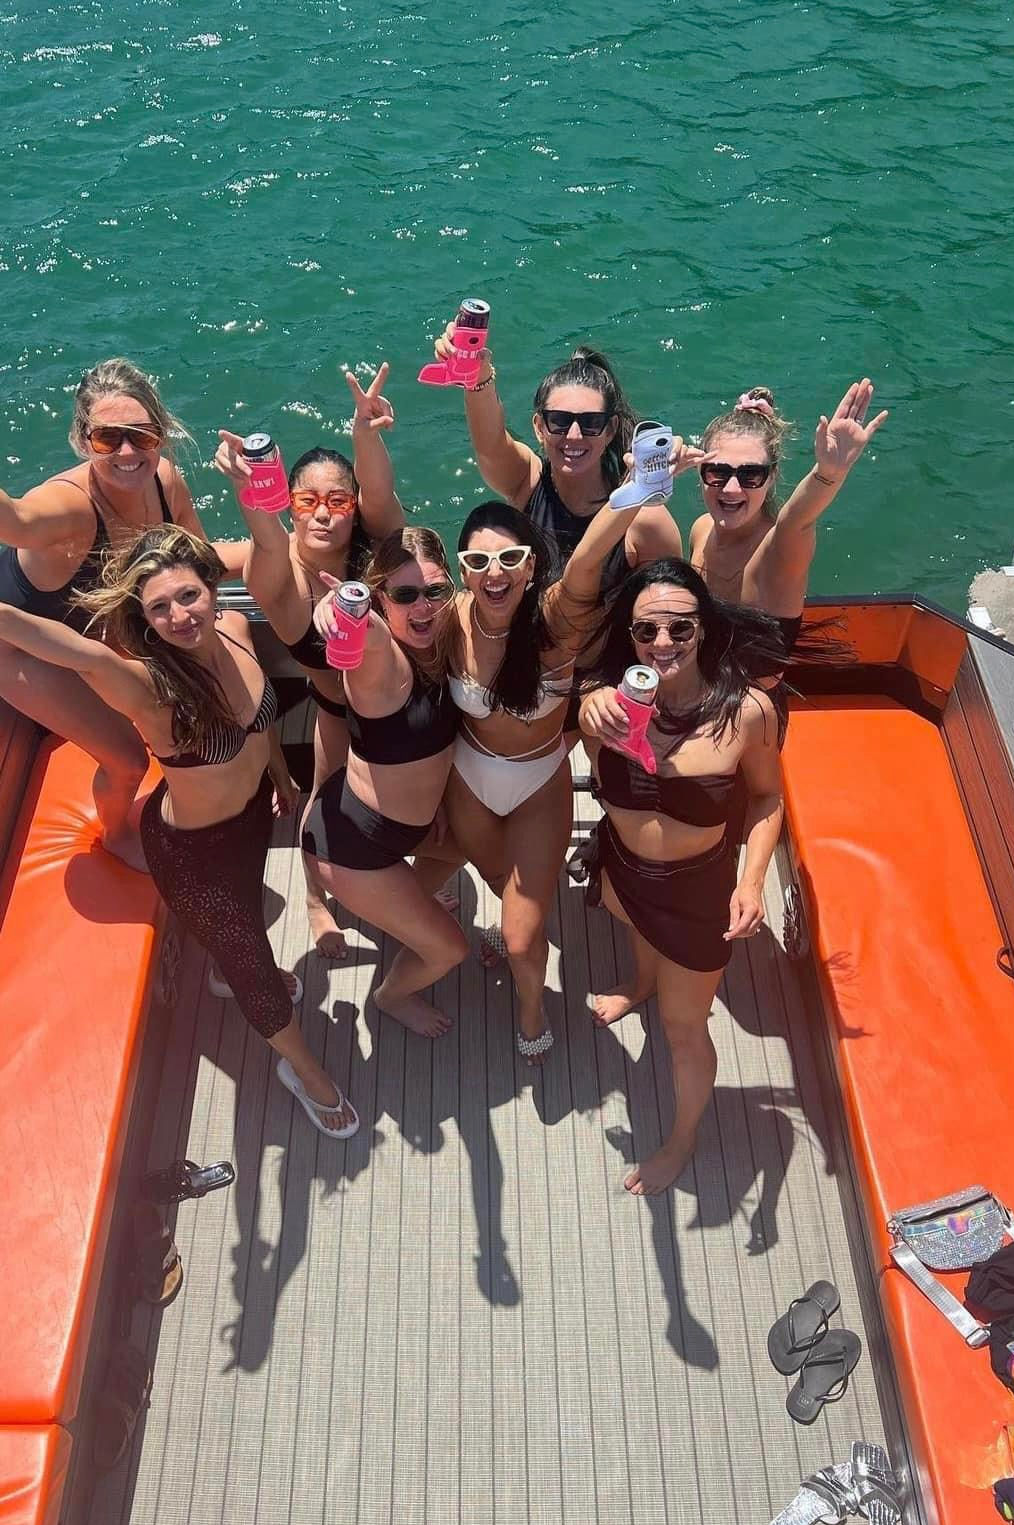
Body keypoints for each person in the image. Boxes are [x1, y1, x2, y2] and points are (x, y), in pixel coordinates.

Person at [0, 525, 357, 1138]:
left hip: (250, 820)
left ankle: (223, 966)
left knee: (245, 918)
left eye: (187, 596)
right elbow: (75, 652)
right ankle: (303, 1071)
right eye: (159, 608)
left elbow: (262, 724)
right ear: (144, 618)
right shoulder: (149, 687)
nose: (178, 616)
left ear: (212, 590)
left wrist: (279, 775)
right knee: (255, 971)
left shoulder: (240, 633)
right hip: (194, 856)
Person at [0, 357, 211, 870]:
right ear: (85, 442)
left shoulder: (164, 481)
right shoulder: (71, 506)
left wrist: (289, 553)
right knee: (127, 760)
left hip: (89, 623)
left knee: (189, 696)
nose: (128, 452)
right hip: (13, 639)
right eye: (108, 440)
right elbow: (18, 520)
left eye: (141, 436)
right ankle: (116, 834)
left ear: (160, 432)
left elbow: (197, 556)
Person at [444, 460, 706, 1065]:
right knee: (501, 891)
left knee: (521, 934)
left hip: (539, 780)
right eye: (479, 563)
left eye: (511, 559)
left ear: (532, 565)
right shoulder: (450, 620)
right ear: (463, 571)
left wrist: (632, 493)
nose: (495, 574)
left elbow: (588, 559)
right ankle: (509, 946)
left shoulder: (559, 619)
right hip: (469, 780)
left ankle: (531, 1011)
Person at [577, 559, 786, 1194]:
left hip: (698, 889)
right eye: (647, 631)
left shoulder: (746, 711)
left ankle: (682, 1137)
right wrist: (586, 707)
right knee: (637, 934)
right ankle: (640, 983)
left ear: (704, 629)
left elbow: (767, 799)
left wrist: (750, 883)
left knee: (682, 1028)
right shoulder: (609, 702)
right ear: (630, 635)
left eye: (680, 628)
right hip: (623, 867)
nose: (662, 643)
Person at [213, 364, 405, 959]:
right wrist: (250, 490)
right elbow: (264, 539)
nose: (324, 513)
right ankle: (319, 903)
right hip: (335, 712)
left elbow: (383, 496)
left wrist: (365, 432)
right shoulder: (277, 573)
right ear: (289, 504)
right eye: (308, 500)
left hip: (399, 707)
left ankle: (401, 886)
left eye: (337, 500)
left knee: (408, 809)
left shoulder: (376, 549)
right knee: (322, 802)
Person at [301, 527, 469, 1039]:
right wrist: (344, 614)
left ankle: (402, 904)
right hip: (355, 849)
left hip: (384, 822)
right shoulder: (386, 665)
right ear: (379, 599)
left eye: (434, 591)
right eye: (404, 595)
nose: (422, 607)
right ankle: (390, 996)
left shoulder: (442, 647)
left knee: (466, 844)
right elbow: (365, 640)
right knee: (451, 949)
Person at [431, 316, 680, 574]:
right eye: (559, 421)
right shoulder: (525, 482)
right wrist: (477, 374)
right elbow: (489, 445)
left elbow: (667, 605)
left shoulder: (644, 519)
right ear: (539, 427)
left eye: (591, 422)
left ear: (610, 430)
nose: (573, 435)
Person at [687, 381, 888, 645]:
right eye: (718, 472)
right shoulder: (700, 529)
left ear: (772, 476)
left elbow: (798, 520)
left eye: (751, 475)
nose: (731, 488)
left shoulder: (779, 548)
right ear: (699, 471)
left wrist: (830, 473)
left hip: (752, 687)